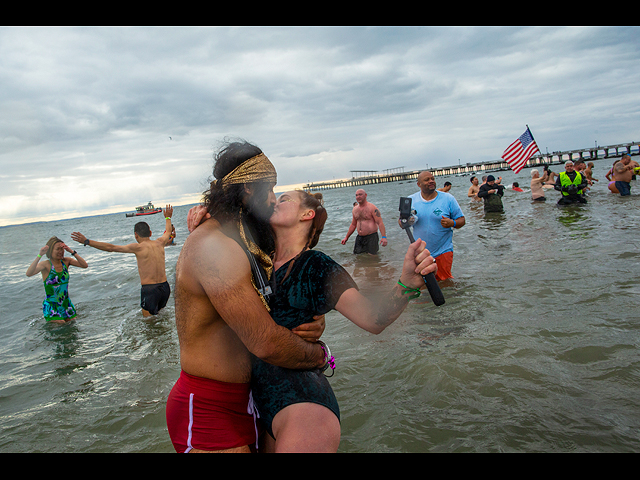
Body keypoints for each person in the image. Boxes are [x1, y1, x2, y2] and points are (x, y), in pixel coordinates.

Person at [188, 187, 437, 453]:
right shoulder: (258, 263)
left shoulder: (316, 265)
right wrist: (206, 226)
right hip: (257, 406)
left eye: (284, 199)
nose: (274, 201)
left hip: (303, 404)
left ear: (307, 214)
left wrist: (406, 284)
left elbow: (373, 319)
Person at [166, 141, 329, 453]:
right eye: (269, 188)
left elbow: (272, 306)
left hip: (253, 399)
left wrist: (312, 322)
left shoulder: (244, 242)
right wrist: (321, 356)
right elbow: (265, 341)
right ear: (248, 191)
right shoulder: (213, 247)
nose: (272, 198)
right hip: (208, 409)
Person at [71, 205, 174, 317]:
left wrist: (87, 241)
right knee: (161, 317)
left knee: (149, 325)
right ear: (150, 233)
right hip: (165, 287)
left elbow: (111, 248)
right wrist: (167, 217)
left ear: (136, 235)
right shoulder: (160, 243)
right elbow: (168, 231)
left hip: (150, 290)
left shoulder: (137, 247)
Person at [402, 170, 465, 282]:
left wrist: (452, 223)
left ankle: (451, 299)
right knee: (421, 284)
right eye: (427, 180)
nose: (431, 181)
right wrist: (406, 221)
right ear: (419, 184)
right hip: (420, 253)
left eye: (433, 179)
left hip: (443, 250)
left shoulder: (448, 198)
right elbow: (401, 222)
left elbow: (462, 220)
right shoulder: (411, 200)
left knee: (444, 282)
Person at [26, 236, 88, 323]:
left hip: (66, 304)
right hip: (52, 305)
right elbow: (28, 273)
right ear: (50, 251)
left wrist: (71, 251)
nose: (60, 252)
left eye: (62, 249)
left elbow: (84, 265)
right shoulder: (46, 265)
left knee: (72, 324)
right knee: (61, 324)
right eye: (58, 249)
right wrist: (40, 255)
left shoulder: (66, 261)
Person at [341, 189, 387, 255]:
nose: (358, 197)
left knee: (372, 257)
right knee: (357, 257)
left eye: (360, 194)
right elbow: (353, 225)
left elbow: (380, 223)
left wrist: (384, 237)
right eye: (356, 195)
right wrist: (346, 237)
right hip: (360, 237)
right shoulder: (355, 209)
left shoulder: (372, 208)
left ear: (365, 195)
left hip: (372, 237)